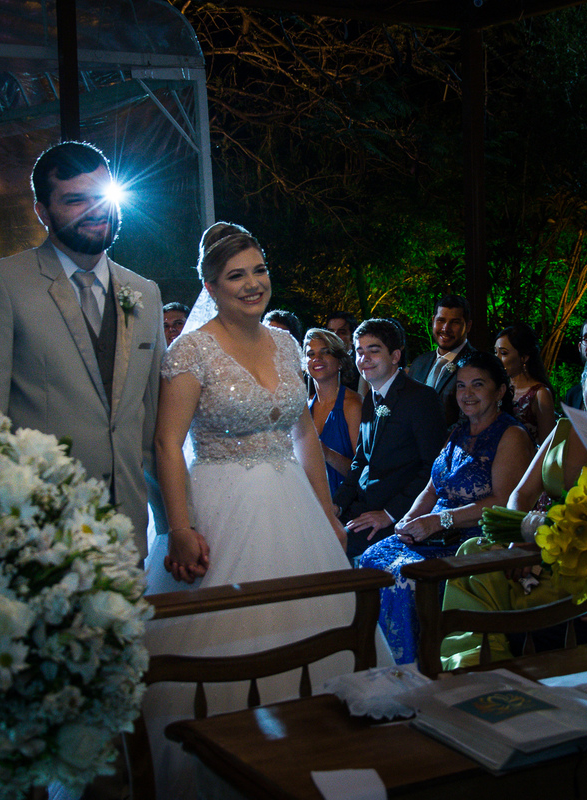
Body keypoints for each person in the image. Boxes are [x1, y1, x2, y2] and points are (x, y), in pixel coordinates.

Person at [146, 222, 380, 797]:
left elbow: (303, 435)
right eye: (236, 275)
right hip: (222, 504)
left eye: (258, 270)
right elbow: (164, 444)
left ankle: (318, 762)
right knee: (228, 637)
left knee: (322, 628)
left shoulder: (283, 343)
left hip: (294, 506)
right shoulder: (190, 352)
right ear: (211, 284)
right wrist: (180, 527)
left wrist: (327, 513)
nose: (252, 284)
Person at [0, 141, 164, 556]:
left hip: (129, 527)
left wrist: (176, 523)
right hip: (38, 527)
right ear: (42, 211)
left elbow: (150, 422)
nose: (95, 209)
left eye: (102, 196)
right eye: (74, 200)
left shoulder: (145, 292)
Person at [440, 341, 587, 668]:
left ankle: (496, 668)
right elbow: (521, 494)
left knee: (506, 577)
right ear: (584, 383)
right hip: (537, 543)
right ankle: (477, 670)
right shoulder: (563, 428)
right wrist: (519, 540)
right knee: (473, 552)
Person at [357, 350, 532, 664]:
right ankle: (375, 663)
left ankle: (416, 668)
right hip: (433, 531)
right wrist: (408, 519)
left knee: (404, 574)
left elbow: (503, 502)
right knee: (371, 558)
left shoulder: (511, 435)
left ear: (500, 391)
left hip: (471, 541)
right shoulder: (457, 432)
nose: (467, 394)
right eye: (462, 386)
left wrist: (441, 520)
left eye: (477, 385)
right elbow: (432, 486)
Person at [334, 318, 447, 560]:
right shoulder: (369, 399)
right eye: (359, 352)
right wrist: (337, 506)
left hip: (396, 515)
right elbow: (360, 463)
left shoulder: (421, 399)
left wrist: (389, 513)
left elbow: (433, 468)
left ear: (395, 356)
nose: (364, 359)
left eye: (373, 351)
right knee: (313, 534)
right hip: (360, 509)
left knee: (332, 549)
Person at [304, 328, 362, 495]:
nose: (317, 358)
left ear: (341, 361)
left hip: (344, 504)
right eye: (310, 354)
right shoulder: (304, 408)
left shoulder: (353, 405)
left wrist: (327, 454)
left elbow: (363, 472)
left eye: (326, 352)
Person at [406, 295, 476, 426]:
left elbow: (471, 420)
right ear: (433, 321)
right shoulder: (419, 363)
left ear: (468, 326)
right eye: (441, 320)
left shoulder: (476, 365)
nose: (445, 328)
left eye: (454, 322)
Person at [494, 323, 555, 446]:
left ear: (524, 357)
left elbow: (547, 447)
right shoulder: (497, 387)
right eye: (495, 352)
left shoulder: (540, 394)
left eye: (503, 353)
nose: (497, 358)